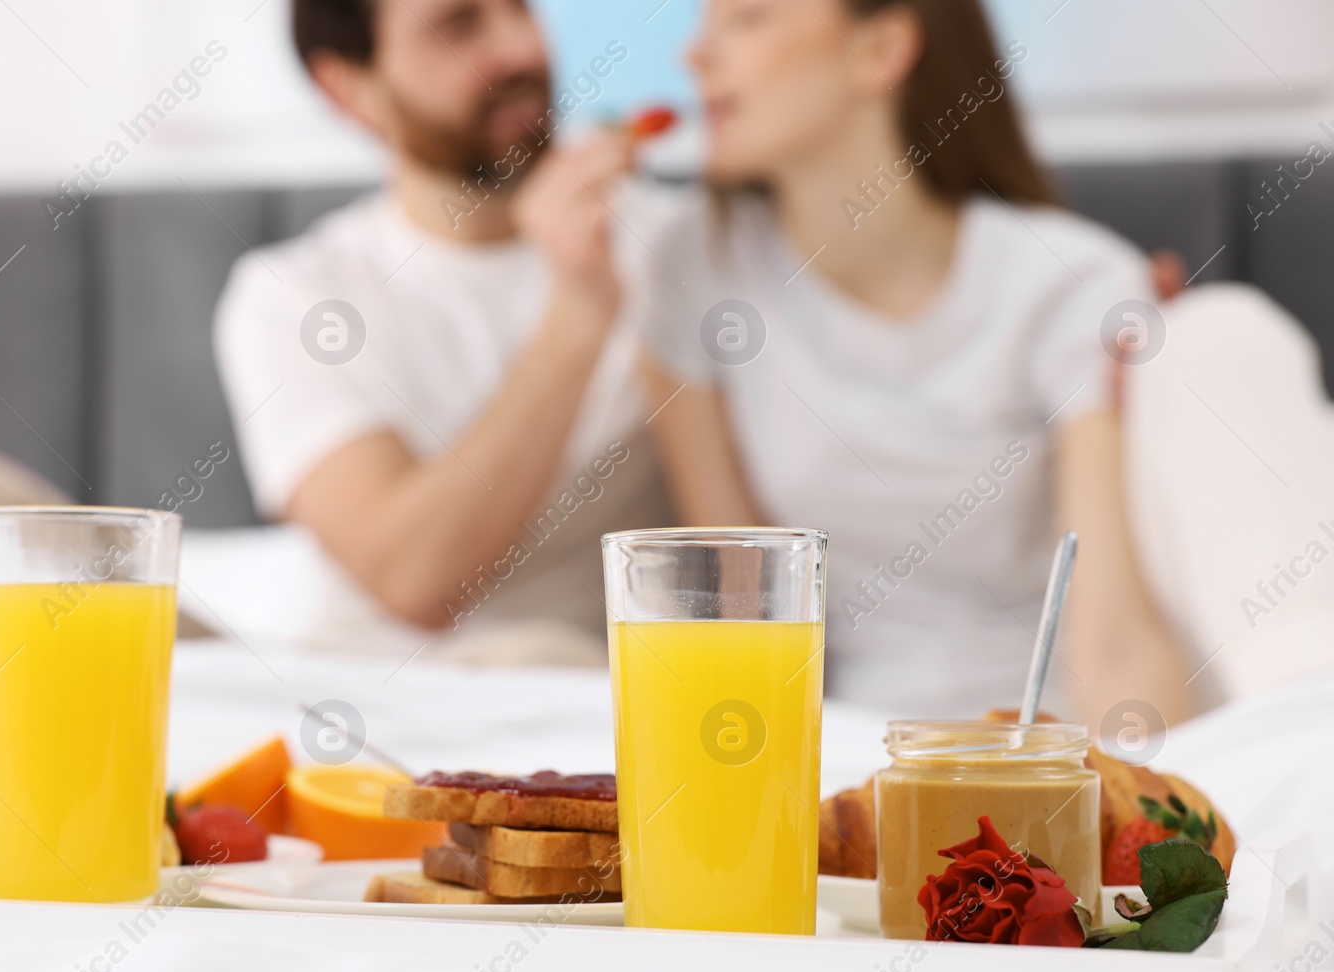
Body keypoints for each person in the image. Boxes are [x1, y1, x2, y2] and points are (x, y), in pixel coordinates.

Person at [637, 0, 1193, 728]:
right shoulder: (696, 265)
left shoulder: (1070, 282)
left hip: (1042, 746)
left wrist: (1148, 814)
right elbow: (743, 625)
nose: (695, 56)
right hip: (846, 752)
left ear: (881, 50)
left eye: (747, 19)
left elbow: (1116, 645)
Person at [213, 0, 673, 662]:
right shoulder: (294, 295)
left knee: (526, 653)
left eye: (520, 8)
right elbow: (414, 579)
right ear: (350, 88)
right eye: (458, 26)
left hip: (560, 682)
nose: (519, 49)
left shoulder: (669, 246)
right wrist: (581, 311)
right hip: (358, 709)